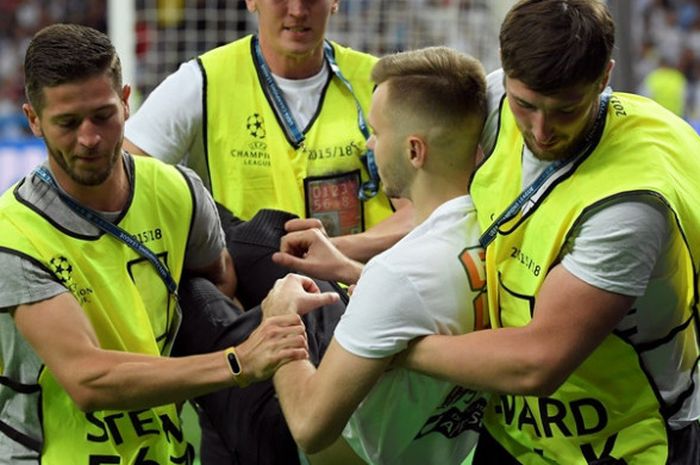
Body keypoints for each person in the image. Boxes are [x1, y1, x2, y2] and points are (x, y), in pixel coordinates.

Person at [0, 24, 320, 465]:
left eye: (103, 116)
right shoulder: (13, 233)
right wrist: (239, 363)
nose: (89, 138)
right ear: (33, 119)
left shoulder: (179, 192)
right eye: (67, 124)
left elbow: (216, 287)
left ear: (127, 100)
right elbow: (88, 381)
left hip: (166, 451)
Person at [398, 1, 700, 464]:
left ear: (604, 79)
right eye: (526, 105)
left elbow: (538, 362)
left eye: (566, 109)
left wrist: (396, 346)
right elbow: (450, 209)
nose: (541, 131)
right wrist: (351, 251)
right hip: (513, 427)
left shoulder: (630, 206)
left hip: (626, 441)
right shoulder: (498, 98)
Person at [260, 46, 489, 465]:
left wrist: (279, 321)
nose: (369, 144)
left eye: (378, 133)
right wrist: (352, 270)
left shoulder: (399, 273)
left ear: (415, 151)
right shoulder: (495, 235)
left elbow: (310, 427)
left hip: (346, 453)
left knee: (240, 268)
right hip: (442, 452)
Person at [123, 0, 411, 264]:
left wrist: (335, 250)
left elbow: (423, 212)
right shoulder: (202, 82)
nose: (297, 10)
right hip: (252, 302)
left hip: (361, 293)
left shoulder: (378, 83)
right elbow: (123, 179)